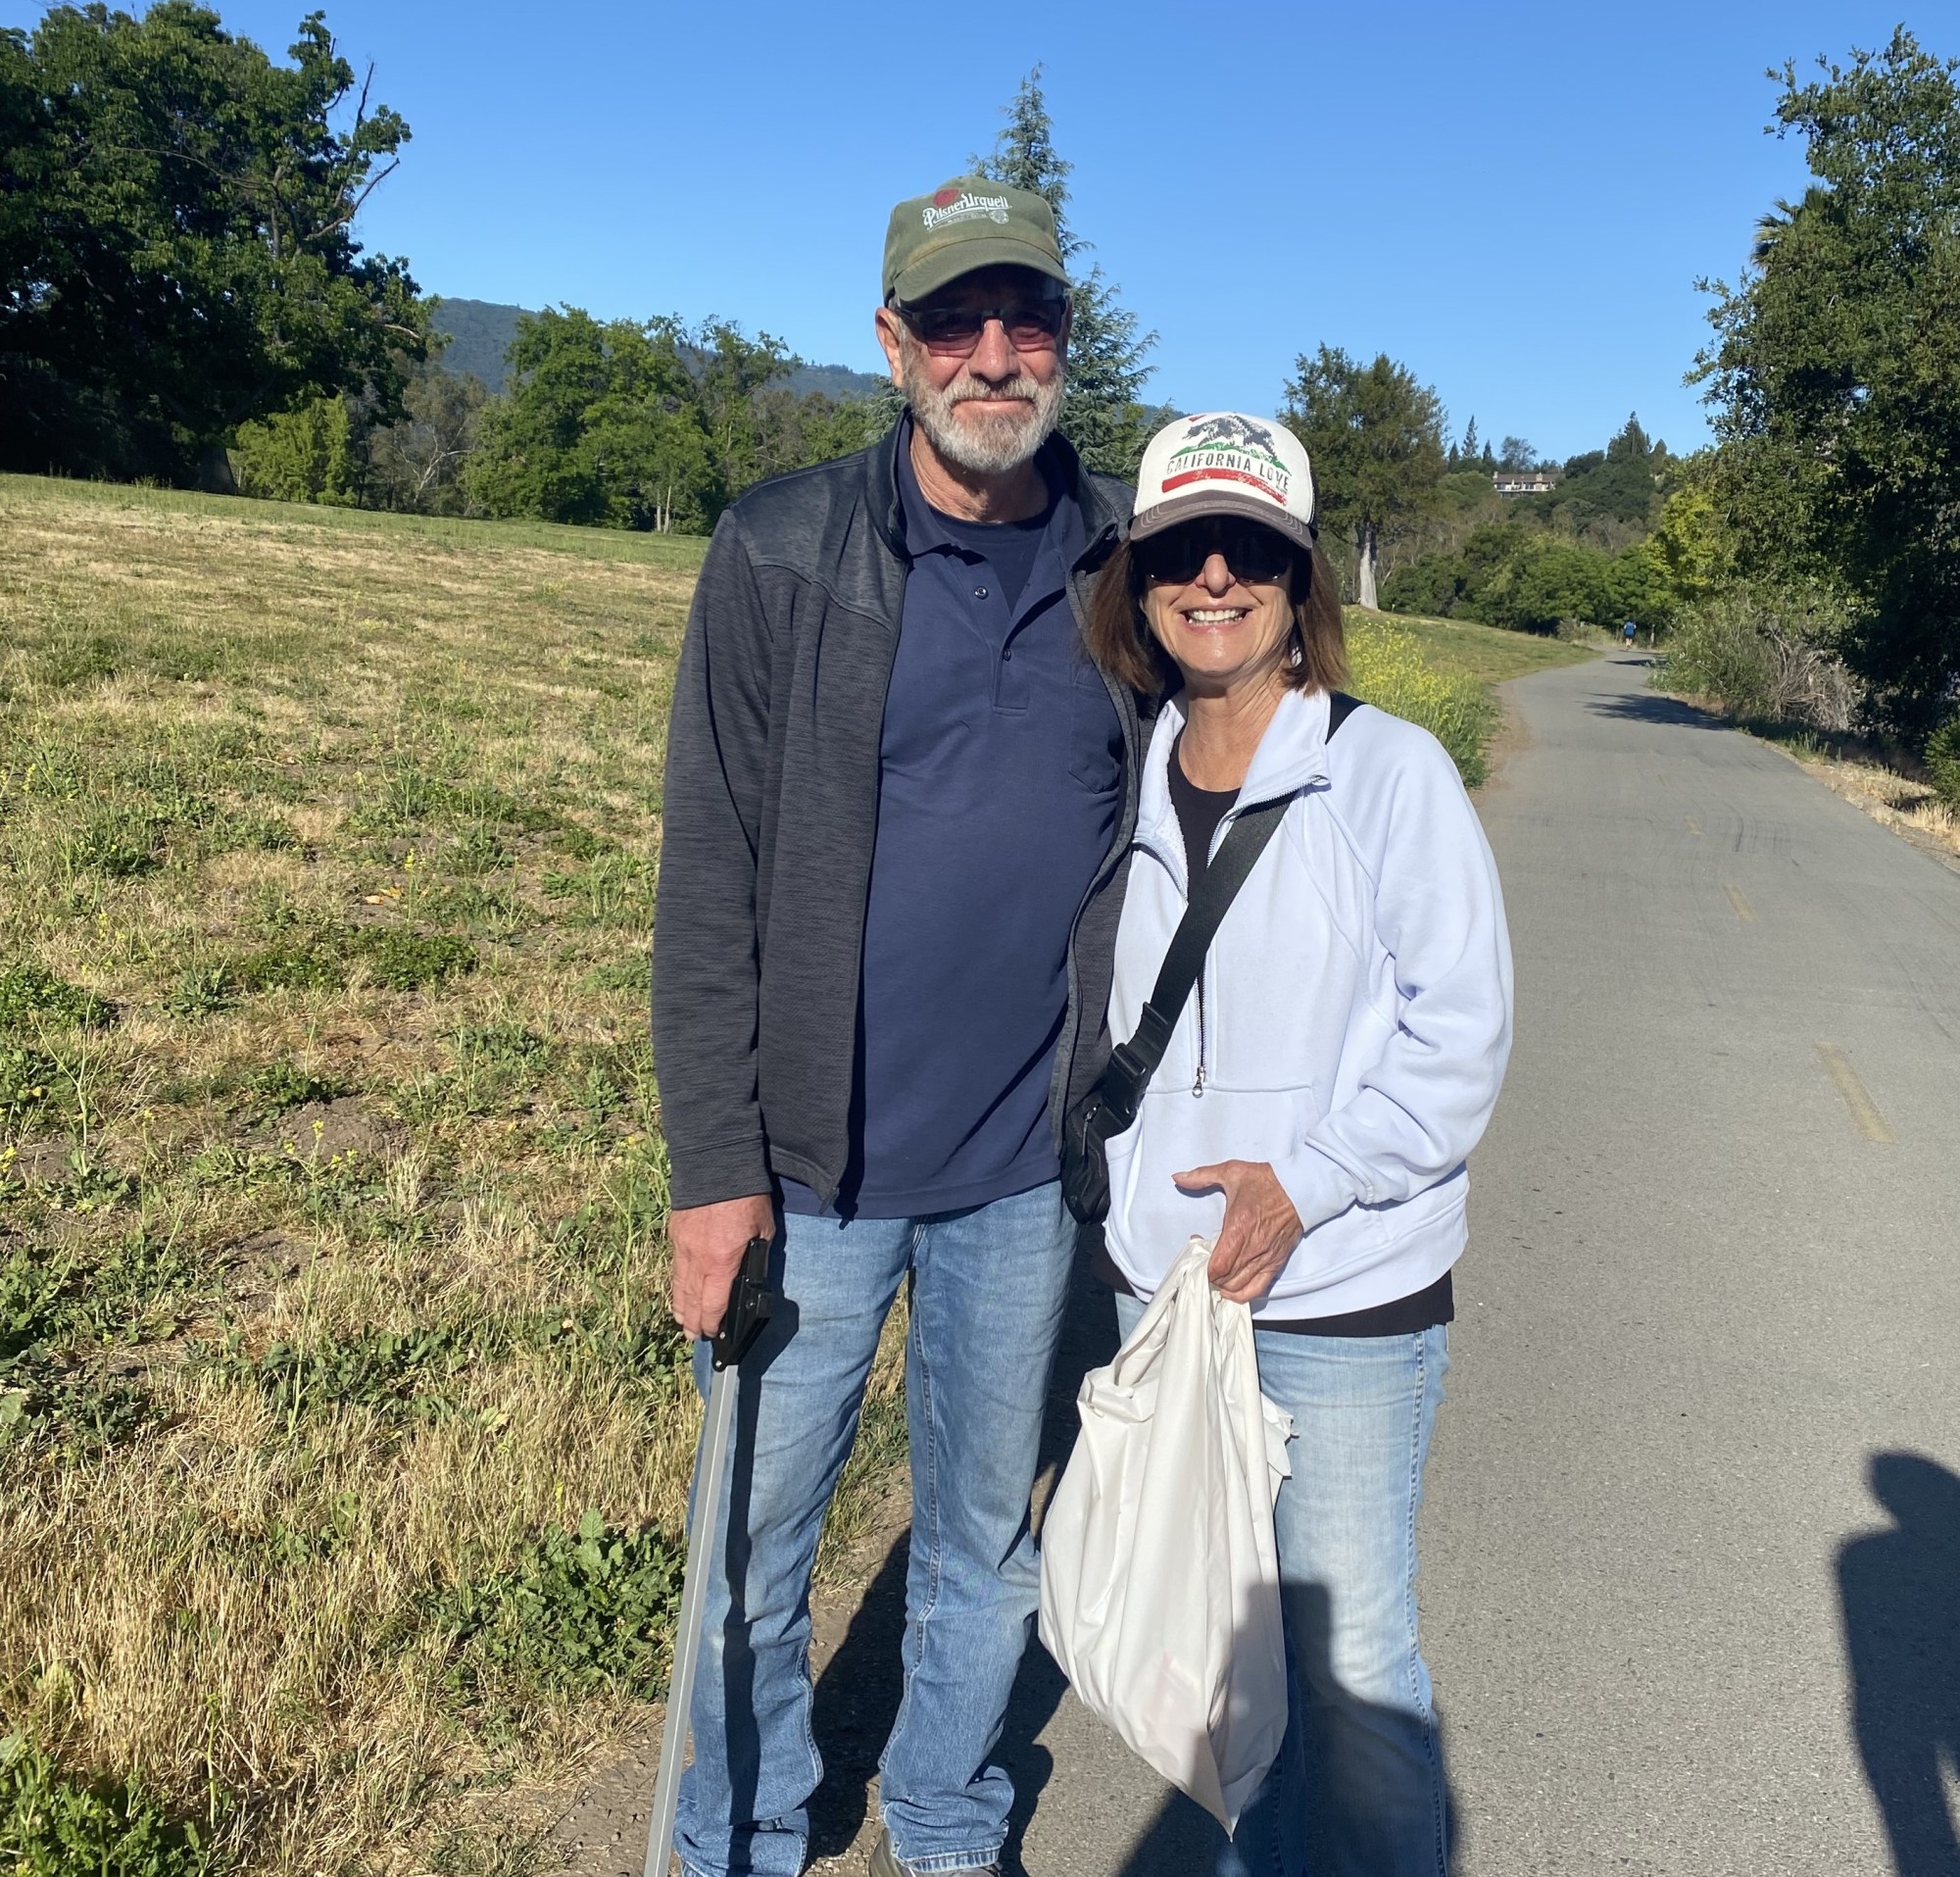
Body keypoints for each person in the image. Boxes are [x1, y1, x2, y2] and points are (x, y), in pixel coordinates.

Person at [651, 175, 1144, 1877]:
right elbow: (710, 878)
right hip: (812, 1168)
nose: (994, 356)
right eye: (956, 320)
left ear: (1065, 343)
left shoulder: (1128, 565)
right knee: (755, 1545)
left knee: (980, 1540)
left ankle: (946, 1816)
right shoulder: (782, 550)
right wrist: (715, 1171)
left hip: (1022, 1170)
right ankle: (740, 1837)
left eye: (1029, 321)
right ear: (892, 344)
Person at [1080, 412, 1513, 1876]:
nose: (1214, 575)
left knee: (1355, 1665)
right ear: (1135, 580)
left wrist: (1307, 1186)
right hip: (1169, 1292)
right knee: (1223, 1680)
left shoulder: (1390, 777)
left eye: (1251, 548)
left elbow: (1461, 1040)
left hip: (1345, 1299)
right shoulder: (1122, 770)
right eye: (1178, 549)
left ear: (1299, 582)